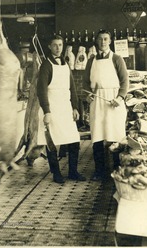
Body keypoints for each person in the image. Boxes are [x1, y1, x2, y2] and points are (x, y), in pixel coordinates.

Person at [37, 34, 86, 184]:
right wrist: (46, 111)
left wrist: (75, 107)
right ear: (49, 47)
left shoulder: (65, 64)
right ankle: (56, 173)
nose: (58, 48)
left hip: (65, 108)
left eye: (60, 45)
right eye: (55, 45)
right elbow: (41, 90)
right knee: (52, 142)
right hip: (52, 109)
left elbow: (72, 88)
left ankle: (72, 172)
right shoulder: (46, 65)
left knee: (74, 140)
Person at [83, 29, 129, 181]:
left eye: (106, 39)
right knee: (97, 136)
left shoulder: (117, 58)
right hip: (97, 100)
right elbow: (85, 82)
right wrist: (88, 94)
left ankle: (116, 170)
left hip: (114, 100)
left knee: (115, 135)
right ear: (97, 41)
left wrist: (120, 97)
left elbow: (125, 81)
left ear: (110, 41)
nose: (103, 42)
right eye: (100, 39)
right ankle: (99, 171)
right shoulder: (91, 60)